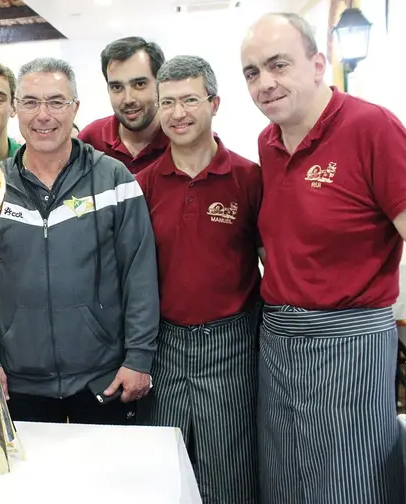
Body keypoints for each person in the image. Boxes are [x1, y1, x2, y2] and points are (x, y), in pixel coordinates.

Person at [241, 13, 406, 504]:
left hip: (350, 344)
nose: (265, 83)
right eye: (252, 72)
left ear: (318, 63)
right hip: (280, 341)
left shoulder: (371, 127)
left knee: (351, 482)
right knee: (285, 481)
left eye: (278, 65)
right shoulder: (267, 145)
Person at [0, 57, 159, 425]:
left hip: (103, 378)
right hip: (19, 384)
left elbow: (140, 274)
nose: (43, 115)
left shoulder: (114, 178)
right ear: (15, 109)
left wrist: (139, 358)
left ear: (75, 108)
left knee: (107, 483)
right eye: (31, 102)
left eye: (56, 101)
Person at [136, 55, 262, 503]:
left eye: (190, 100)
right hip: (163, 346)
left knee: (229, 468)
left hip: (232, 343)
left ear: (214, 103)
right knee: (162, 463)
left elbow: (270, 258)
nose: (178, 113)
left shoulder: (249, 178)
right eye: (166, 102)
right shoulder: (142, 185)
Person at [77, 37, 168, 174]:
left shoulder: (181, 138)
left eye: (139, 84)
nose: (128, 99)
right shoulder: (90, 140)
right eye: (117, 87)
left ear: (160, 84)